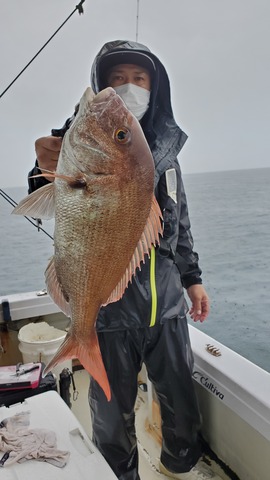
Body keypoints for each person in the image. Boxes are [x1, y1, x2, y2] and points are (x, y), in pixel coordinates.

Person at [28, 40, 220, 480]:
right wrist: (41, 167)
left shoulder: (168, 157)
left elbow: (179, 224)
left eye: (139, 79)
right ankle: (120, 474)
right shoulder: (78, 141)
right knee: (110, 413)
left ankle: (180, 466)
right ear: (100, 84)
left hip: (167, 306)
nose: (127, 88)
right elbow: (49, 185)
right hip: (110, 312)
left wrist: (193, 280)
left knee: (179, 400)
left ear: (156, 89)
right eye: (117, 79)